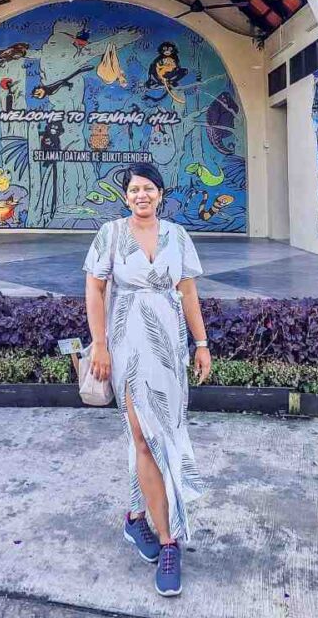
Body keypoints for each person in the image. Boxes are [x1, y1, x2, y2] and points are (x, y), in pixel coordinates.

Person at [83, 163, 212, 597]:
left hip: (170, 350)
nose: (142, 195)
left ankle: (136, 519)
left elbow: (188, 291)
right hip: (127, 348)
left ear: (160, 193)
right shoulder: (111, 234)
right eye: (134, 189)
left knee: (167, 437)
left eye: (149, 188)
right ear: (126, 196)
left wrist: (201, 343)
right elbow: (94, 290)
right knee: (143, 439)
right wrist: (99, 345)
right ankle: (169, 540)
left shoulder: (178, 235)